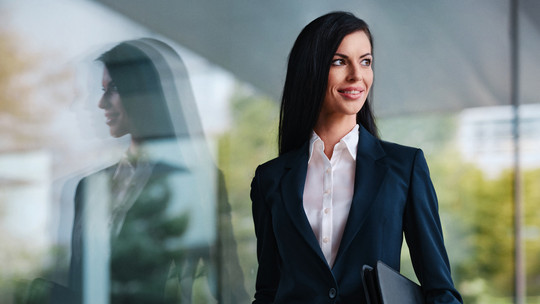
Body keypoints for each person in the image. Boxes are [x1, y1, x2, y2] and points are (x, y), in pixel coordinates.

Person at [250, 11, 463, 303]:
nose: (357, 75)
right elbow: (268, 292)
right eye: (340, 61)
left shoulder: (403, 168)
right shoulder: (270, 179)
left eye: (365, 61)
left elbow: (441, 290)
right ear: (309, 69)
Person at [24, 38, 249, 304]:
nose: (101, 103)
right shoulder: (89, 187)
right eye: (102, 89)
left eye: (114, 89)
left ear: (142, 91)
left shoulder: (192, 183)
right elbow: (78, 282)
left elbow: (227, 287)